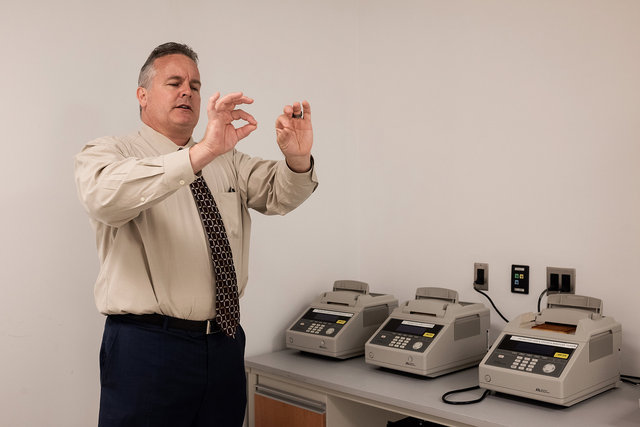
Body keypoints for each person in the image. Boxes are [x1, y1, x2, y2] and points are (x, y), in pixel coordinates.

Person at [74, 42, 318, 427]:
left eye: (195, 84)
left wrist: (298, 158)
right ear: (142, 95)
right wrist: (199, 154)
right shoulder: (110, 152)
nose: (187, 90)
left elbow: (279, 194)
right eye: (174, 82)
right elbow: (104, 198)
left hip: (223, 344)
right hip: (148, 347)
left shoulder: (226, 159)